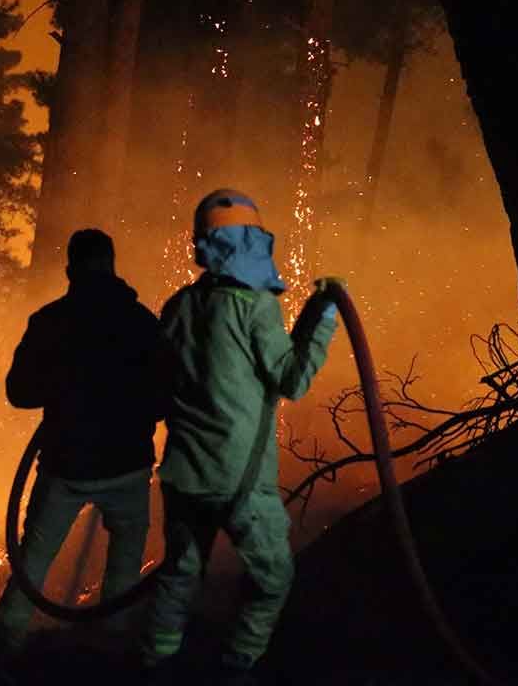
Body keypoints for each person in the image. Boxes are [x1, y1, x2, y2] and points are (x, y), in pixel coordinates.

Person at [143, 189, 339, 684]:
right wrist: (323, 315)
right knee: (274, 579)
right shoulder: (255, 308)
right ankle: (237, 666)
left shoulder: (178, 306)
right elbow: (292, 379)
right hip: (240, 482)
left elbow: (159, 386)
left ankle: (155, 664)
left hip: (184, 474)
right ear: (252, 240)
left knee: (180, 576)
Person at [0, 228, 165, 657]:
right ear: (112, 266)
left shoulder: (50, 321)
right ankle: (108, 653)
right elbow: (163, 396)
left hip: (68, 467)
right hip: (128, 467)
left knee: (33, 565)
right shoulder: (141, 322)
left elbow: (19, 392)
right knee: (124, 569)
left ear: (70, 269)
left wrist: (65, 388)